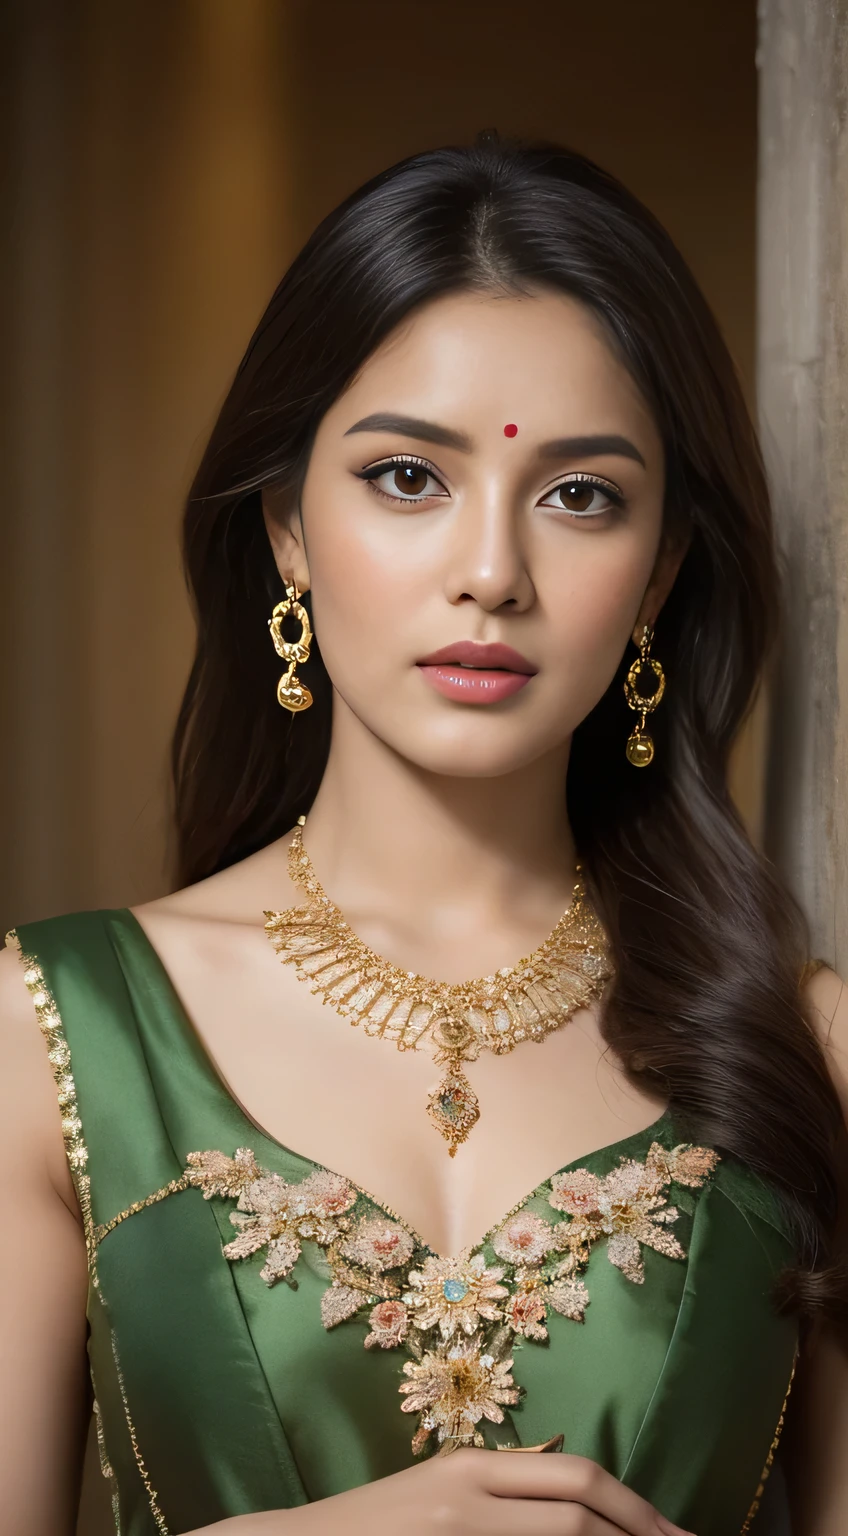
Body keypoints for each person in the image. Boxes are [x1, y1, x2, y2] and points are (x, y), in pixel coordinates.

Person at [1, 132, 846, 1536]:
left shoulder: (805, 1053)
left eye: (582, 496)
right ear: (285, 528)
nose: (492, 572)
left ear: (663, 575)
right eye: (408, 477)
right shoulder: (47, 1039)